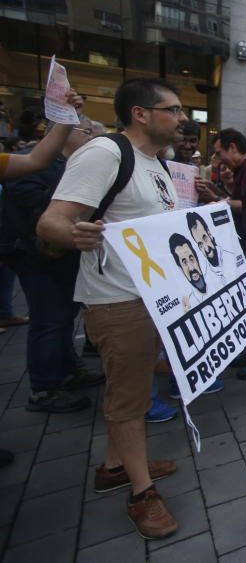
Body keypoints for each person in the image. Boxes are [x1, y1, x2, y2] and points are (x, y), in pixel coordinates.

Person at [37, 79, 185, 539]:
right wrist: (72, 234)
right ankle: (142, 494)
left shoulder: (156, 163)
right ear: (141, 113)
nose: (182, 118)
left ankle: (116, 465)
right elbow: (52, 221)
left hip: (149, 298)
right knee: (128, 400)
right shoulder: (104, 153)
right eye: (174, 110)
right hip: (117, 301)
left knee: (134, 389)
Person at [4, 117, 106, 413]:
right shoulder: (30, 165)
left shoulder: (68, 165)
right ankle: (44, 387)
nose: (92, 140)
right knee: (47, 318)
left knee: (64, 314)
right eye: (88, 133)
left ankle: (69, 370)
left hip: (62, 256)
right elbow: (41, 211)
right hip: (32, 255)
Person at [198, 128, 246, 381]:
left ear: (233, 147)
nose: (220, 160)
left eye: (220, 153)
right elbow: (242, 202)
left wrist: (219, 201)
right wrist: (222, 194)